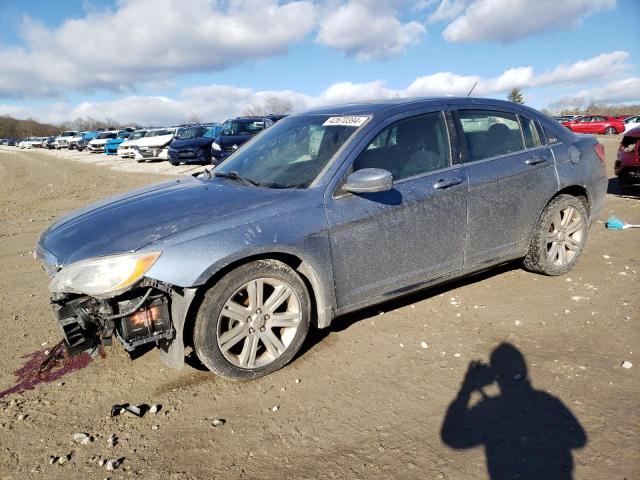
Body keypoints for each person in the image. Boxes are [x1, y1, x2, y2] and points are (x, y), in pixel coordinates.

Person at [441, 343, 587, 480]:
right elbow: (579, 439)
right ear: (524, 371)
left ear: (497, 376)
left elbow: (452, 437)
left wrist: (467, 388)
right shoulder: (546, 401)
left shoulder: (489, 409)